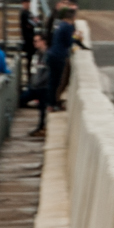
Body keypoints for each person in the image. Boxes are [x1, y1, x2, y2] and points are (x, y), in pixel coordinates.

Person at [32, 8, 85, 137]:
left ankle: (51, 103)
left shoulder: (60, 25)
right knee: (55, 81)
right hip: (58, 56)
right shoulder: (66, 26)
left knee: (53, 81)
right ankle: (52, 104)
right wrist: (77, 37)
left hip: (53, 55)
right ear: (72, 17)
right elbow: (69, 42)